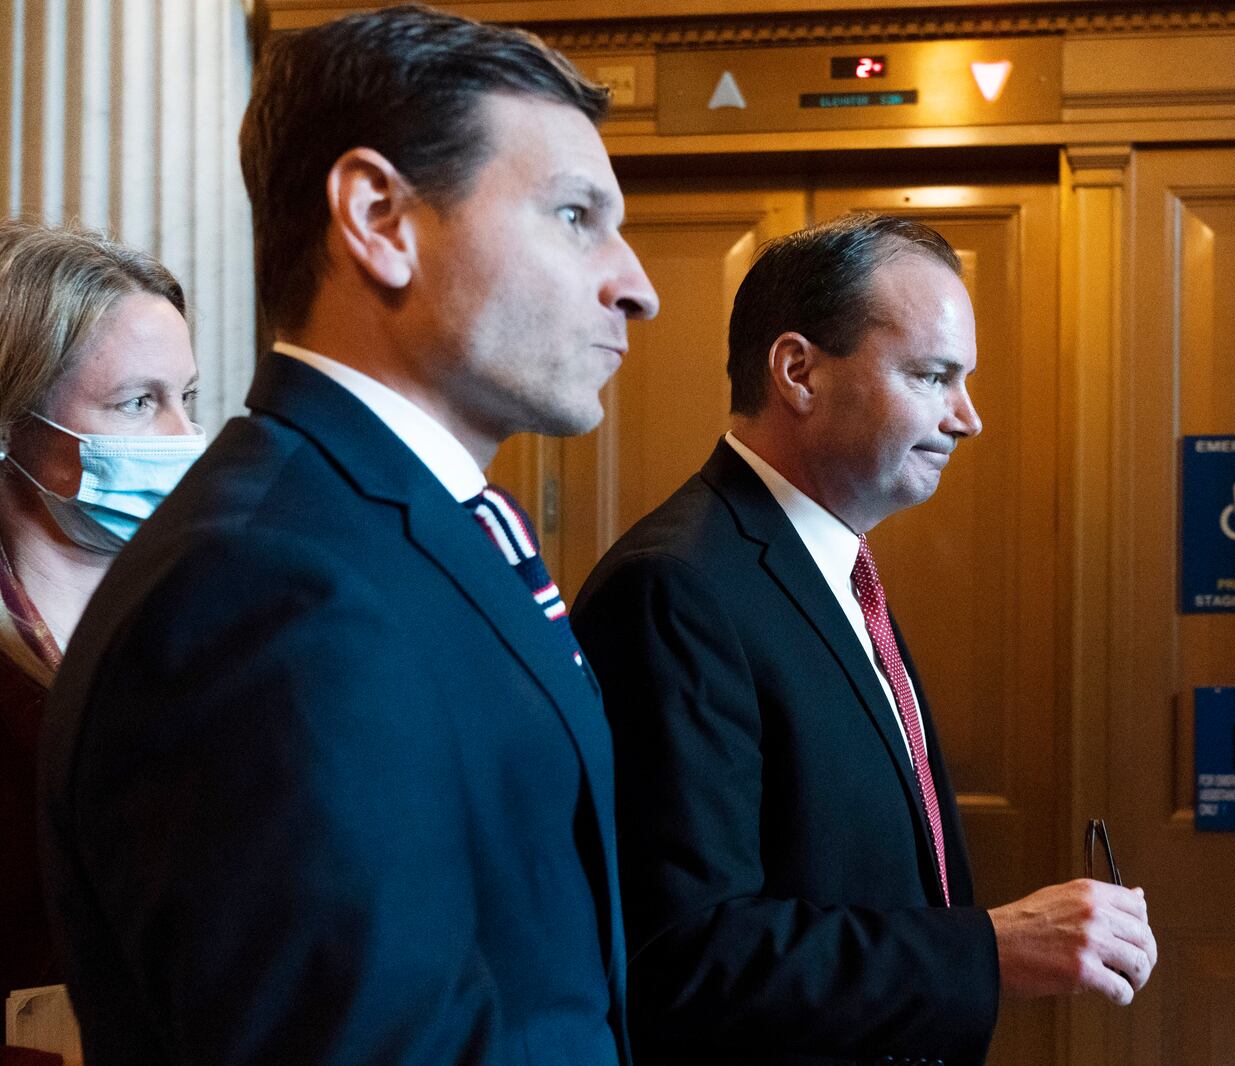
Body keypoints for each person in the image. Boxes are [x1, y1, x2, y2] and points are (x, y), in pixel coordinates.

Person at [38, 6, 657, 1065]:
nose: (633, 284)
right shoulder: (268, 585)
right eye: (572, 216)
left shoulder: (397, 531)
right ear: (379, 217)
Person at [572, 213, 1156, 1065]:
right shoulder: (675, 588)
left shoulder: (834, 563)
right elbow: (688, 961)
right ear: (798, 371)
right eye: (932, 375)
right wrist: (990, 950)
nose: (968, 418)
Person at [0, 219, 200, 1025]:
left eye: (187, 398)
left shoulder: (216, 607)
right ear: (12, 425)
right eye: (136, 402)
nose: (185, 438)